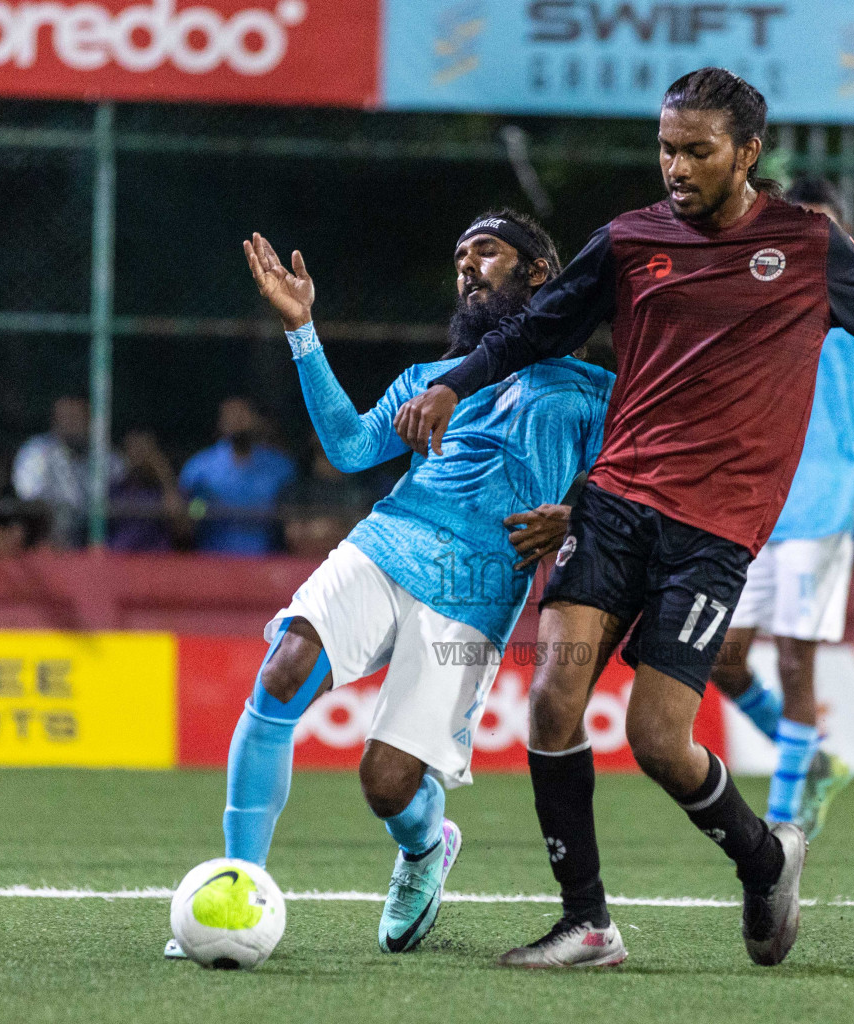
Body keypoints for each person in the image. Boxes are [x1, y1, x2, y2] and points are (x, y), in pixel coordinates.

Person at [393, 68, 854, 969]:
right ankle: (588, 921)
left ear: (747, 152)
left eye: (697, 150)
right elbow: (537, 328)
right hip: (615, 501)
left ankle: (764, 859)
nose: (675, 166)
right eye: (666, 147)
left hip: (716, 530)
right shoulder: (631, 240)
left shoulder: (806, 246)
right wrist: (452, 380)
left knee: (659, 741)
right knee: (554, 699)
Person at [163, 210, 611, 959]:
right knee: (283, 672)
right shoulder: (431, 379)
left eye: (487, 253)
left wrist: (577, 515)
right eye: (459, 256)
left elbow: (631, 485)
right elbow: (347, 447)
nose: (467, 268)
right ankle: (239, 886)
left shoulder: (595, 392)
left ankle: (425, 846)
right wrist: (302, 331)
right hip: (384, 543)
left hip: (475, 590)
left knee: (387, 783)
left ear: (539, 272)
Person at [708, 176, 854, 841]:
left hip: (822, 509)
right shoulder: (761, 297)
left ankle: (780, 816)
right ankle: (820, 760)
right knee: (723, 657)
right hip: (750, 504)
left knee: (798, 659)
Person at [178, 399, 296, 556]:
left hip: (267, 562)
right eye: (231, 415)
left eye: (243, 414)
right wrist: (202, 505)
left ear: (255, 420)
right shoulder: (199, 467)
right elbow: (191, 513)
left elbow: (291, 518)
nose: (237, 421)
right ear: (220, 423)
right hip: (213, 561)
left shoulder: (280, 466)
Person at [12, 396, 124, 549]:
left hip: (98, 541)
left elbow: (120, 494)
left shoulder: (107, 457)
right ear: (54, 421)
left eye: (77, 417)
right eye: (65, 417)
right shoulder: (36, 451)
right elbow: (29, 497)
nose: (71, 423)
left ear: (89, 421)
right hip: (48, 541)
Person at [280, 450, 375, 560]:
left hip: (347, 559)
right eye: (322, 453)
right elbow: (292, 531)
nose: (327, 460)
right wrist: (315, 531)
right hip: (302, 561)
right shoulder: (299, 489)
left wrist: (332, 530)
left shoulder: (360, 491)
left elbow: (363, 533)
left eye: (335, 454)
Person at [108, 430, 186, 554]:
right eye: (132, 448)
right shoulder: (116, 489)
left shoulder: (165, 489)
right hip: (120, 560)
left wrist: (164, 474)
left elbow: (182, 529)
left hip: (156, 562)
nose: (138, 455)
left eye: (143, 449)